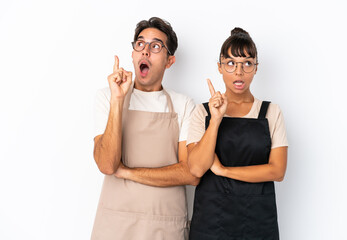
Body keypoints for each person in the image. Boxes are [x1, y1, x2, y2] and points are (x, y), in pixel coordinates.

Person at [91, 17, 199, 240]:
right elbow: (107, 164)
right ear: (133, 54)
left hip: (166, 225)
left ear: (170, 61)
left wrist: (129, 172)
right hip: (116, 225)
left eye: (156, 46)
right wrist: (117, 101)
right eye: (140, 44)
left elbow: (190, 172)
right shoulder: (108, 97)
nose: (146, 51)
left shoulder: (184, 105)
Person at [187, 27, 288, 239]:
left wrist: (224, 171)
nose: (239, 72)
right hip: (211, 223)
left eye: (247, 64)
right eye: (231, 63)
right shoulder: (202, 112)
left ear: (256, 68)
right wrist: (215, 120)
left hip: (258, 223)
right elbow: (196, 168)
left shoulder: (271, 112)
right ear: (220, 67)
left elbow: (277, 171)